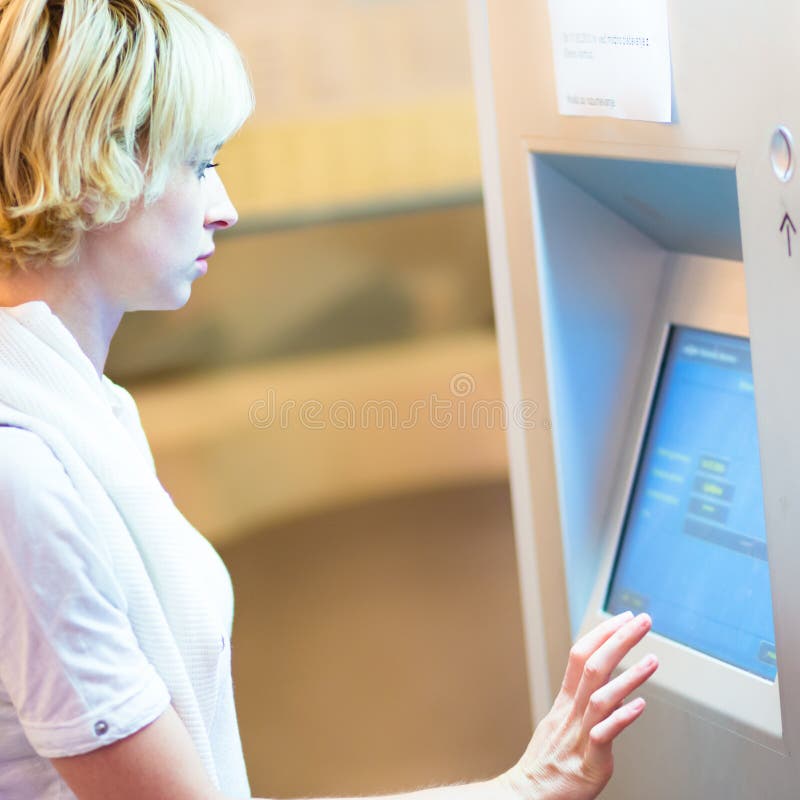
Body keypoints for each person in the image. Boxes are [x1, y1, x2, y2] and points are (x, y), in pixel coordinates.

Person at [0, 1, 659, 799]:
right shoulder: (24, 469)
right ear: (96, 170)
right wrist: (526, 787)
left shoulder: (79, 406)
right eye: (199, 163)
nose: (226, 208)